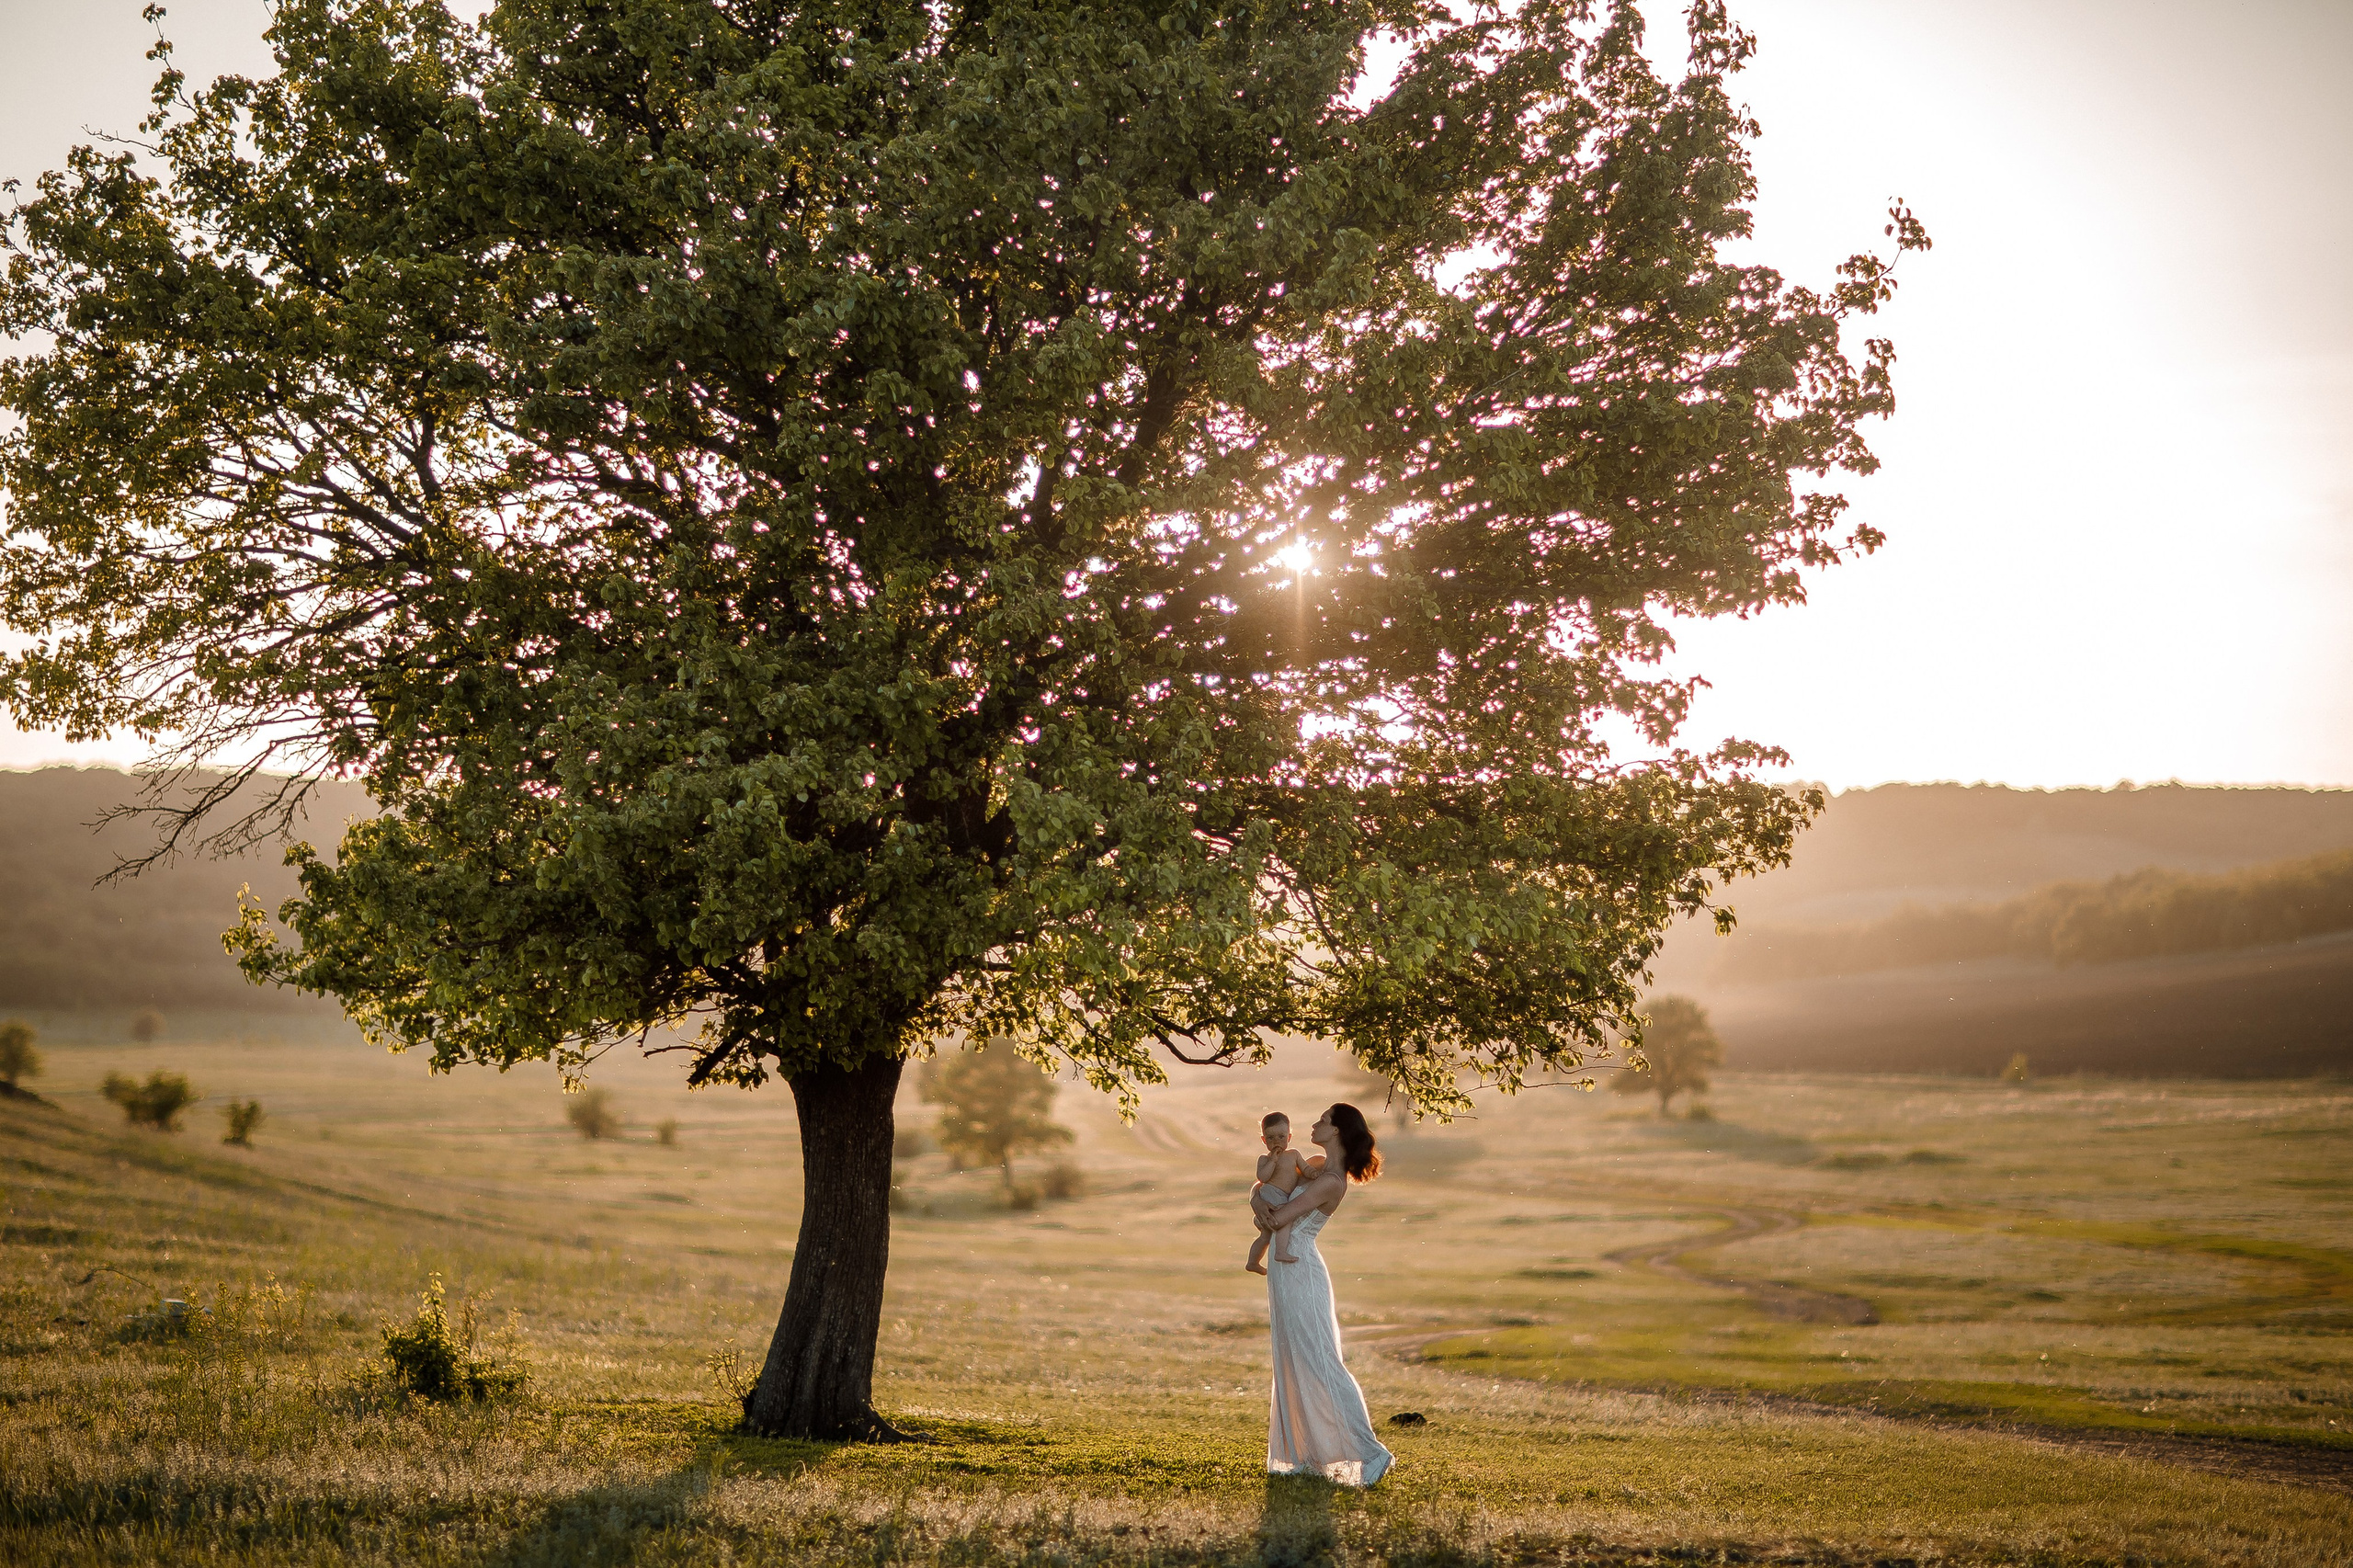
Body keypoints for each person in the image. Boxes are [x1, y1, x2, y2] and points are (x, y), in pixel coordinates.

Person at [1252, 1103, 1393, 1486]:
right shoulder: (1313, 1162)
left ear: (1336, 1132)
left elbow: (1281, 1215)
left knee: (1320, 1359)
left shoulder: (1332, 1181)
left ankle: (1369, 1453)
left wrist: (1262, 1207)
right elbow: (1268, 1191)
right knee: (1292, 1356)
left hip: (1301, 1268)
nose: (1314, 1124)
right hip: (1284, 1270)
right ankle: (1305, 1453)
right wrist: (1259, 1198)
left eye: (1323, 1121)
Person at [1246, 1111, 1316, 1275]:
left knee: (1265, 1235)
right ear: (1264, 1140)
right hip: (1271, 1194)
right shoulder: (1264, 1159)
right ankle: (1280, 1251)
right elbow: (1262, 1177)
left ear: (1289, 1137)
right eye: (1270, 1138)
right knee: (1286, 1220)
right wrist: (1273, 1160)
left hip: (1279, 1196)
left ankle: (1252, 1262)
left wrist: (1312, 1173)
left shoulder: (1294, 1155)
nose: (1276, 1141)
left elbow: (1305, 1168)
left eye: (1281, 1137)